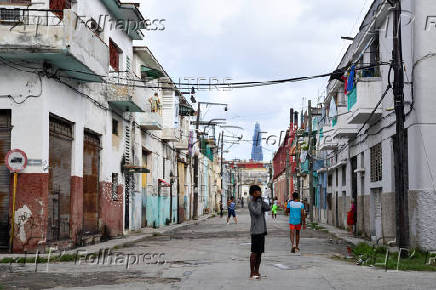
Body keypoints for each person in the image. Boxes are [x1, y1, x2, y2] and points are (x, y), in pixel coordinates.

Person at [248, 185, 271, 279]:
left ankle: (257, 271)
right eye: (258, 192)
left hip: (262, 230)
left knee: (260, 253)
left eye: (260, 192)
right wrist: (258, 202)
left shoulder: (259, 201)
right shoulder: (251, 203)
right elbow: (257, 213)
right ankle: (251, 272)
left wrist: (262, 200)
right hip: (255, 231)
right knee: (254, 252)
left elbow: (268, 208)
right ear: (253, 193)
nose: (260, 193)